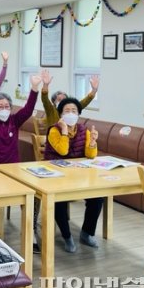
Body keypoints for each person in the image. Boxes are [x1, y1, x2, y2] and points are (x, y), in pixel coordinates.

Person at [44, 97, 100, 253]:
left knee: (97, 196)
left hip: (78, 175)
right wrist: (63, 131)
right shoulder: (54, 130)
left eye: (74, 111)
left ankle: (87, 233)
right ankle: (67, 236)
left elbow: (90, 156)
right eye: (67, 111)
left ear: (79, 114)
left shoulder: (84, 130)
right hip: (56, 175)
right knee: (58, 201)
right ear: (60, 114)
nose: (70, 113)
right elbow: (63, 151)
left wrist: (93, 142)